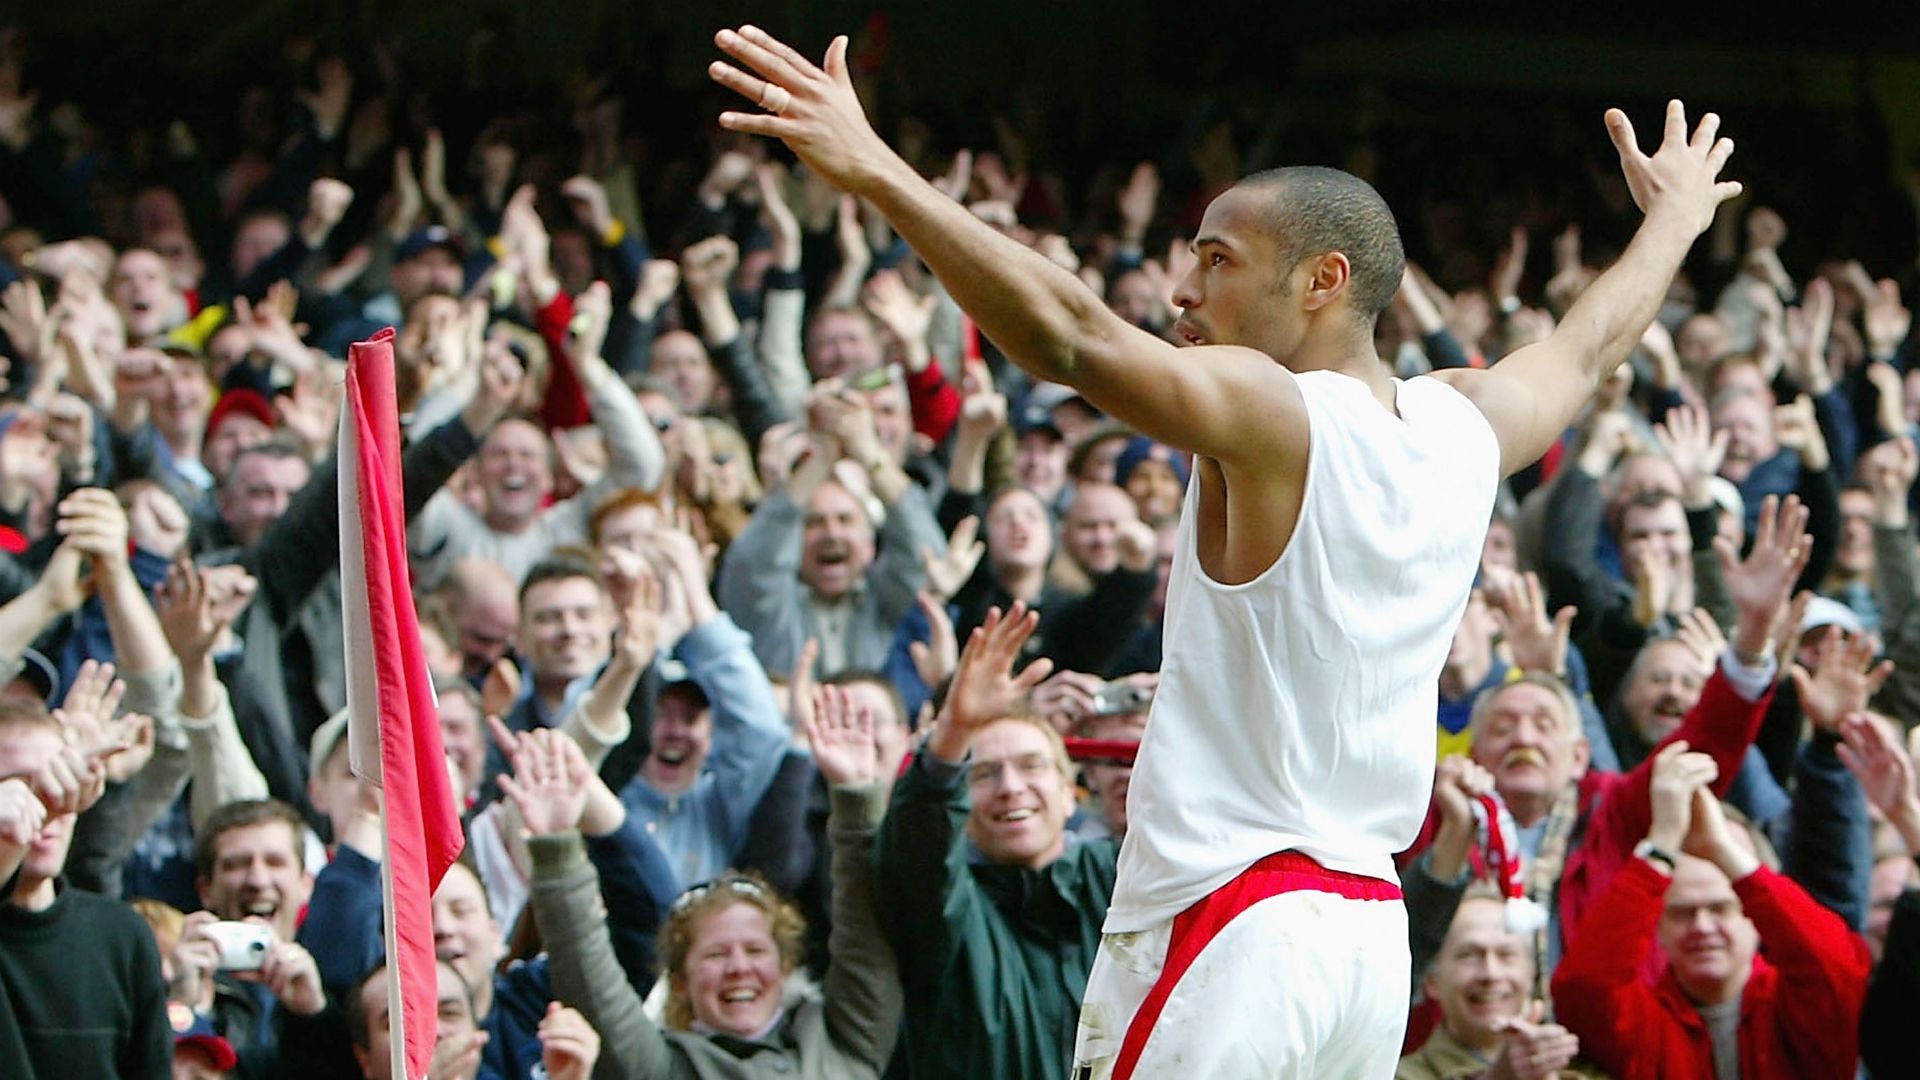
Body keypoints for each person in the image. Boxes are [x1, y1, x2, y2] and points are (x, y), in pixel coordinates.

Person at [709, 25, 1740, 1076]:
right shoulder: (1465, 423)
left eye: (1216, 258)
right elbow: (1592, 342)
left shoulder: (1274, 407)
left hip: (1239, 917)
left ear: (1322, 280)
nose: (1184, 292)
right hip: (1366, 938)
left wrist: (873, 167)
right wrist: (1676, 222)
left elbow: (1071, 337)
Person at [520, 689, 900, 1079]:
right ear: (682, 983)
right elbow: (589, 978)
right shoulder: (663, 1068)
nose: (739, 968)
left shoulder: (846, 1042)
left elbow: (864, 929)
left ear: (785, 967)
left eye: (755, 950)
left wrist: (857, 798)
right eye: (716, 955)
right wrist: (557, 851)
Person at [1551, 742, 1871, 1079]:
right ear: (1657, 925)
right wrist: (1660, 847)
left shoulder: (1798, 1005)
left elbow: (1838, 966)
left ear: (1757, 915)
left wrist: (1724, 852)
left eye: (1721, 908)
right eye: (1682, 912)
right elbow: (1583, 988)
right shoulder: (1644, 1019)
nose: (1702, 927)